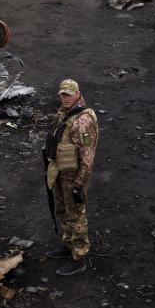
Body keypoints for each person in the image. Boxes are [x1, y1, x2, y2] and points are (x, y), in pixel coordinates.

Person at [43, 79, 98, 276]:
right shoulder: (64, 114)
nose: (65, 98)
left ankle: (79, 256)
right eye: (62, 94)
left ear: (77, 94)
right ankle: (68, 245)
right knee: (63, 211)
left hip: (72, 177)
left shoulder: (83, 121)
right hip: (59, 173)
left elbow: (87, 157)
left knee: (76, 215)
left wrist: (79, 184)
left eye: (68, 94)